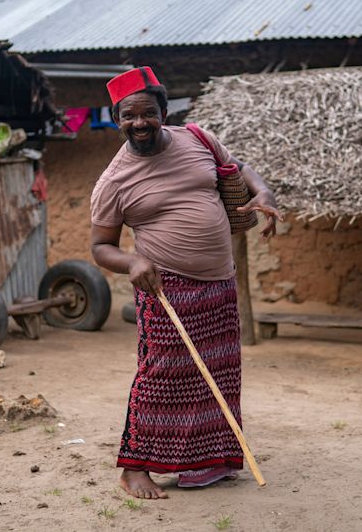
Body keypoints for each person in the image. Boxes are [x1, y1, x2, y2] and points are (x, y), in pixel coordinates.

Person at [90, 66, 282, 500]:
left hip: (219, 282)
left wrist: (264, 193)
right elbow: (101, 247)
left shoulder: (197, 138)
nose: (139, 123)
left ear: (164, 110)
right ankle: (134, 468)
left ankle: (207, 462)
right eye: (128, 116)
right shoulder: (114, 181)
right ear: (116, 118)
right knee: (161, 376)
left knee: (218, 372)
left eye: (148, 113)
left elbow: (240, 168)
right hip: (164, 287)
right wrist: (132, 261)